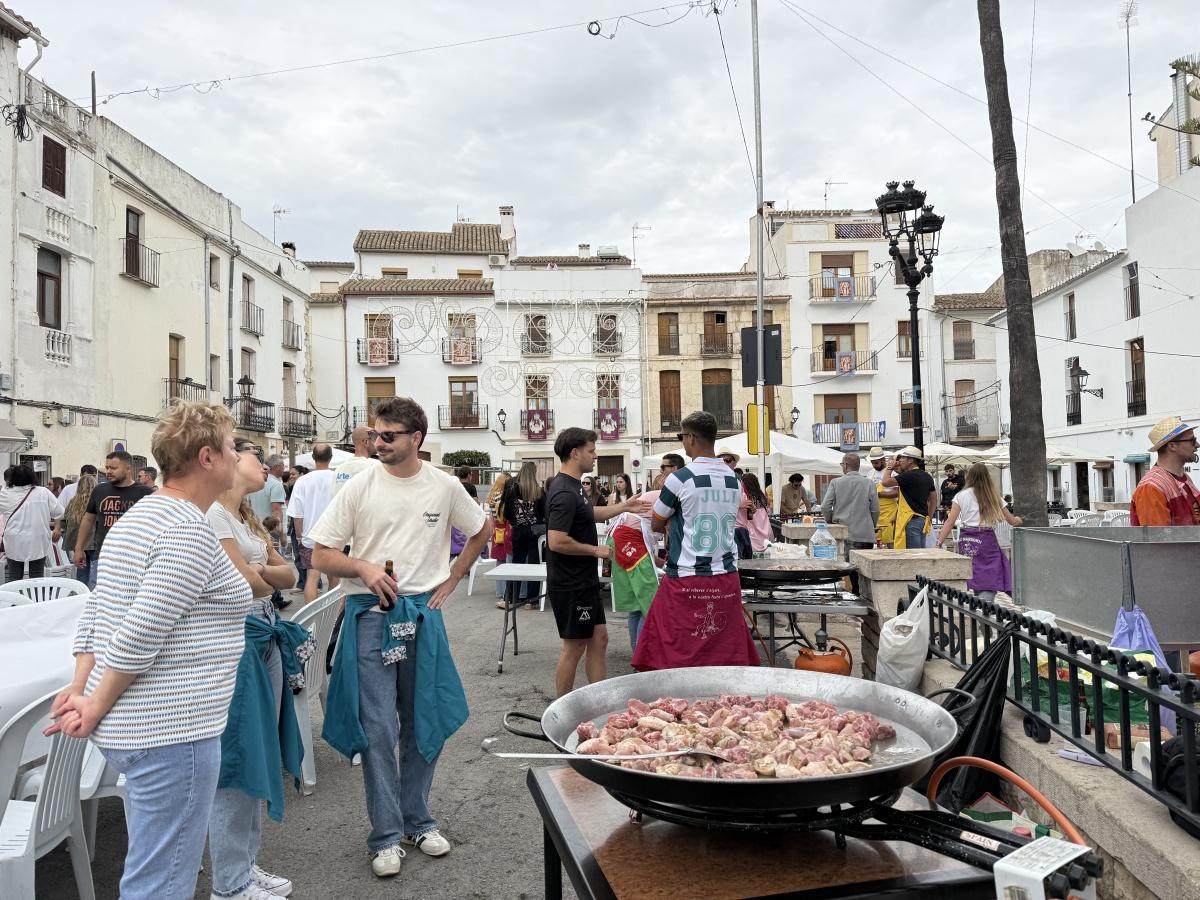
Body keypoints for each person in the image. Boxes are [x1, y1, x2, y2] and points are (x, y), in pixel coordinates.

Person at [47, 401, 252, 900]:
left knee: (152, 864)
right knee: (161, 879)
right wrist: (90, 702)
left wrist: (82, 687)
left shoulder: (141, 518)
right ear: (207, 457)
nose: (236, 456)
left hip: (144, 726)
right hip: (172, 730)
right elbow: (141, 630)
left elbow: (98, 612)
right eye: (229, 447)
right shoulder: (185, 529)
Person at [308, 397, 489, 878]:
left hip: (421, 614)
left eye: (388, 436)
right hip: (370, 616)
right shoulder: (359, 484)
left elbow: (481, 528)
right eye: (373, 435)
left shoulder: (445, 486)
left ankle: (418, 820)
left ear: (416, 439)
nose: (377, 443)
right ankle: (385, 835)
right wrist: (363, 567)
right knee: (378, 730)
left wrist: (453, 578)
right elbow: (321, 556)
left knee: (421, 720)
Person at [206, 439, 304, 900]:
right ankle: (229, 882)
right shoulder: (213, 515)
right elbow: (245, 582)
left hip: (262, 636)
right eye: (254, 457)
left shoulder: (242, 516)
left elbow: (291, 578)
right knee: (240, 757)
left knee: (257, 752)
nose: (263, 466)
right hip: (242, 640)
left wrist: (259, 569)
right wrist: (262, 571)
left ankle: (244, 865)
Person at [632, 412, 759, 672]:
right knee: (723, 650)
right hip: (725, 574)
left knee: (674, 650)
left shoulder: (680, 478)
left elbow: (657, 522)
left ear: (690, 438)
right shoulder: (733, 480)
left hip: (686, 575)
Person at [545, 428, 639, 697]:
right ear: (575, 453)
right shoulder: (564, 491)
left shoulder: (575, 486)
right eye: (591, 450)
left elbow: (588, 513)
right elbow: (556, 541)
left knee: (599, 639)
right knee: (574, 647)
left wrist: (623, 507)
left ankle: (599, 702)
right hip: (570, 582)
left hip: (583, 580)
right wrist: (594, 551)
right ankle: (562, 710)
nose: (595, 456)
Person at [934, 463, 1023, 601]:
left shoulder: (961, 496)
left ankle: (980, 606)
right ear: (987, 477)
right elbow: (1012, 521)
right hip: (987, 539)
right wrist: (1019, 519)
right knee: (990, 574)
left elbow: (950, 522)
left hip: (967, 538)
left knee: (975, 573)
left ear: (969, 477)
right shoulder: (994, 496)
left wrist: (939, 542)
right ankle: (984, 607)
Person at [73, 450, 153, 589]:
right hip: (103, 556)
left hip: (134, 559)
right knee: (97, 595)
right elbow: (88, 519)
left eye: (113, 468)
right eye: (107, 467)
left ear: (128, 468)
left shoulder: (144, 493)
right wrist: (79, 548)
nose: (108, 471)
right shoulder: (99, 490)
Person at [607, 490, 662, 650]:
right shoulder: (672, 494)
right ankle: (642, 656)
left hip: (619, 538)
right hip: (631, 540)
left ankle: (637, 654)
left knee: (637, 606)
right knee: (650, 603)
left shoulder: (655, 493)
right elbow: (669, 525)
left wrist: (663, 563)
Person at [821, 452, 880, 592]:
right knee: (864, 570)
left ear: (846, 465)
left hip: (844, 533)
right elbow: (875, 509)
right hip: (865, 534)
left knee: (847, 569)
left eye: (842, 464)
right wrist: (871, 525)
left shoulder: (835, 482)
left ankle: (852, 594)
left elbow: (825, 506)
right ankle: (864, 596)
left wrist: (830, 521)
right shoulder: (869, 483)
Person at [288, 443, 339, 604]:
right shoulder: (337, 478)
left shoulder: (302, 481)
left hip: (310, 536)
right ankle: (333, 617)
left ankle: (312, 619)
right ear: (331, 458)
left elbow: (297, 514)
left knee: (312, 577)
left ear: (313, 458)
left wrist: (299, 536)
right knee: (335, 577)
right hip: (333, 536)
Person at [1, 463, 64, 581]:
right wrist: (57, 527)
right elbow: (59, 512)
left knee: (15, 577)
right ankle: (37, 598)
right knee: (37, 576)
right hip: (38, 540)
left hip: (14, 542)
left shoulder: (5, 494)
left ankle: (16, 599)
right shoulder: (43, 492)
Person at [1131, 416, 1200, 526]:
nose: (1197, 445)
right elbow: (1158, 540)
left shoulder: (1185, 478)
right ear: (1172, 445)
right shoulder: (1151, 487)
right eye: (1192, 440)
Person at [501, 461, 547, 610]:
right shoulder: (539, 491)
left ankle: (511, 599)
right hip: (535, 531)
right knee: (534, 564)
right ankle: (532, 600)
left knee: (517, 563)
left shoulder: (512, 490)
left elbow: (507, 512)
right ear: (533, 473)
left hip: (518, 530)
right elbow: (545, 513)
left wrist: (516, 520)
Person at [248, 455, 290, 611]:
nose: (284, 469)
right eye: (283, 466)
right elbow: (276, 509)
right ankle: (274, 599)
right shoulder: (275, 485)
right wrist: (281, 533)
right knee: (275, 566)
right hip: (268, 529)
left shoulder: (253, 484)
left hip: (253, 527)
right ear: (277, 467)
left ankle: (274, 598)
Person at [882, 447, 937, 549]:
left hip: (910, 521)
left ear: (910, 460)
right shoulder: (927, 476)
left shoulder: (908, 476)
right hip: (922, 520)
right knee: (920, 554)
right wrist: (928, 517)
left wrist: (889, 467)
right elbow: (934, 500)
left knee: (912, 557)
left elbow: (885, 482)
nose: (900, 460)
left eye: (903, 458)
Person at [62, 473, 98, 585]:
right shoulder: (97, 501)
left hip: (76, 541)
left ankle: (81, 593)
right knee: (95, 570)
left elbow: (64, 520)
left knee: (82, 570)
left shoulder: (73, 502)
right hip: (93, 541)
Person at [486, 472, 512, 601]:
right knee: (507, 561)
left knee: (499, 562)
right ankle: (506, 592)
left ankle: (499, 590)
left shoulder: (492, 496)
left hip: (497, 530)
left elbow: (491, 518)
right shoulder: (506, 496)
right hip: (506, 529)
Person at [334, 427, 379, 498]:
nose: (378, 443)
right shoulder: (373, 467)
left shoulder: (339, 469)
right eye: (375, 439)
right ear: (366, 442)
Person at [868, 447, 899, 547]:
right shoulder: (870, 473)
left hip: (889, 513)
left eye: (876, 463)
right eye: (872, 463)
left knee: (890, 542)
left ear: (883, 460)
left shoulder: (892, 473)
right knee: (877, 544)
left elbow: (897, 492)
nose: (874, 465)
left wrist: (879, 495)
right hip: (875, 512)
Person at [738, 472, 773, 555]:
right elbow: (767, 512)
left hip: (753, 528)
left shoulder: (745, 497)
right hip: (765, 527)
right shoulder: (762, 495)